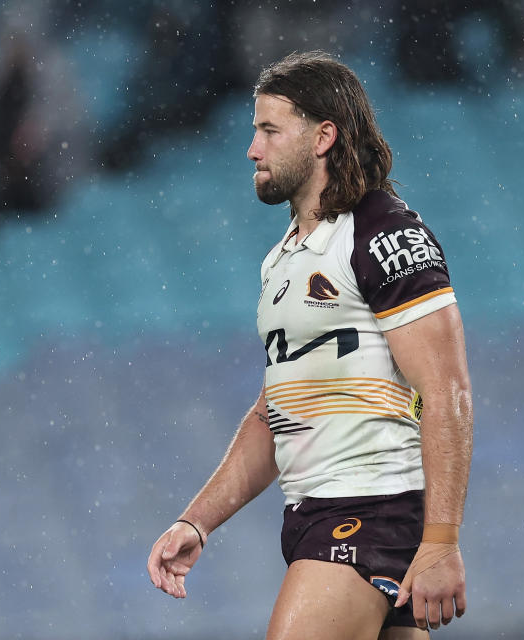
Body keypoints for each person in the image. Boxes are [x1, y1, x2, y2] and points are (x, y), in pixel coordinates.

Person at [146, 51, 473, 640]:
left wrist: (442, 541)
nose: (252, 148)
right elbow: (278, 415)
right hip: (314, 515)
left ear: (323, 137)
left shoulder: (384, 234)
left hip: (368, 511)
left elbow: (446, 389)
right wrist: (196, 522)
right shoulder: (282, 260)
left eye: (269, 130)